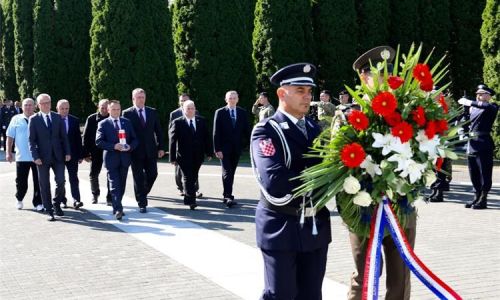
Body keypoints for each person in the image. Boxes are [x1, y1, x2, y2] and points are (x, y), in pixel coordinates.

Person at [251, 63, 331, 299]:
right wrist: (324, 175)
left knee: (312, 295)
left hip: (314, 226)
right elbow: (274, 179)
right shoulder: (267, 130)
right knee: (281, 295)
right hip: (281, 226)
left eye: (309, 92)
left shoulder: (316, 129)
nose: (307, 97)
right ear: (281, 93)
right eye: (299, 90)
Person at [349, 46, 416, 300]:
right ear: (364, 77)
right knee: (364, 278)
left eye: (388, 73)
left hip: (402, 208)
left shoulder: (408, 114)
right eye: (378, 73)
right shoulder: (349, 116)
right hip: (365, 212)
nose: (385, 79)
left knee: (400, 279)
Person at [29, 94, 71, 221]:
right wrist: (35, 156)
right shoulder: (34, 119)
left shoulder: (57, 117)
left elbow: (64, 137)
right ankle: (49, 210)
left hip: (58, 156)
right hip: (41, 158)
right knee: (44, 184)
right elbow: (31, 140)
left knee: (61, 181)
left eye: (48, 102)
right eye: (43, 103)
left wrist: (67, 152)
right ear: (38, 105)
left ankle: (56, 203)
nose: (46, 105)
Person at [122, 88, 165, 213]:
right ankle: (142, 202)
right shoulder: (127, 113)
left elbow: (158, 131)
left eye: (142, 97)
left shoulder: (152, 112)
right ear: (133, 98)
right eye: (138, 97)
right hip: (134, 151)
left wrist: (161, 147)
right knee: (138, 177)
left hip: (151, 150)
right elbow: (124, 133)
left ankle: (142, 192)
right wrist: (126, 146)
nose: (141, 99)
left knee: (153, 174)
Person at [96, 100, 138, 220]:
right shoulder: (103, 124)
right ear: (108, 110)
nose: (116, 112)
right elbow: (99, 141)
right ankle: (118, 209)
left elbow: (135, 139)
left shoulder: (127, 122)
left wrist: (130, 147)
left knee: (122, 184)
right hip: (111, 159)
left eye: (118, 109)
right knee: (114, 185)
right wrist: (113, 146)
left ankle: (117, 205)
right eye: (113, 109)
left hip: (124, 159)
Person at [458, 84, 498, 209]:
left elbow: (484, 106)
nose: (478, 96)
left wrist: (469, 102)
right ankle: (476, 196)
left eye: (481, 93)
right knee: (473, 172)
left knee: (484, 172)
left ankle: (483, 198)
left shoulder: (492, 106)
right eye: (477, 94)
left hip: (483, 143)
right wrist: (463, 116)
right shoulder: (473, 108)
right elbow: (465, 121)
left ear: (488, 96)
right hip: (472, 142)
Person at [169, 100, 212, 210]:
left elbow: (207, 138)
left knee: (194, 176)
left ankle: (188, 198)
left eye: (192, 108)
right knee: (187, 177)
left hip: (198, 155)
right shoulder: (177, 122)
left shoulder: (201, 121)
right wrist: (172, 157)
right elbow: (172, 141)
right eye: (188, 108)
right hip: (183, 156)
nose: (190, 110)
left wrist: (209, 152)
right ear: (183, 110)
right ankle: (191, 200)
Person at [213, 90, 251, 207]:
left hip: (237, 149)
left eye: (234, 98)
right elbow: (216, 132)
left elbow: (247, 131)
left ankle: (227, 193)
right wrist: (217, 149)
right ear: (226, 100)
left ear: (237, 99)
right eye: (230, 98)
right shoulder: (220, 112)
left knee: (231, 172)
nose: (232, 100)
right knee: (227, 171)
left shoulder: (242, 112)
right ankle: (228, 196)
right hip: (224, 149)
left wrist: (250, 145)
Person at [5, 98, 43, 211]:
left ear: (35, 106)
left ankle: (38, 202)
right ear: (22, 106)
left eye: (30, 105)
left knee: (39, 181)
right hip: (22, 156)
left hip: (37, 157)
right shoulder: (15, 119)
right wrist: (8, 152)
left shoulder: (39, 118)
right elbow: (10, 137)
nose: (28, 107)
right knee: (21, 182)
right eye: (26, 105)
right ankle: (19, 198)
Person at [168, 93, 202, 197]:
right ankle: (181, 188)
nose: (183, 102)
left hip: (193, 148)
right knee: (179, 170)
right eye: (181, 101)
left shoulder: (195, 112)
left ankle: (194, 189)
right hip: (180, 147)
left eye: (185, 100)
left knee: (193, 170)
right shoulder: (174, 114)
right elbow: (171, 131)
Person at [82, 99, 112, 205]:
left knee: (111, 175)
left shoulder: (113, 117)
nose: (104, 110)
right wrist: (85, 153)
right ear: (98, 107)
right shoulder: (91, 118)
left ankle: (110, 197)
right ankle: (95, 194)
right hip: (95, 151)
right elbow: (85, 137)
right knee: (93, 174)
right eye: (102, 107)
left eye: (106, 108)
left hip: (110, 151)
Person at [56, 99, 84, 209]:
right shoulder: (53, 120)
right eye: (62, 108)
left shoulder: (74, 120)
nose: (64, 111)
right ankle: (62, 200)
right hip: (58, 155)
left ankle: (76, 200)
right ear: (57, 109)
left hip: (72, 155)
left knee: (74, 178)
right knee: (60, 179)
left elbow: (78, 138)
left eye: (66, 108)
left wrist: (80, 155)